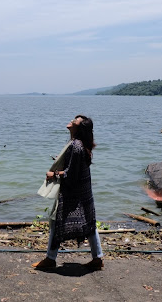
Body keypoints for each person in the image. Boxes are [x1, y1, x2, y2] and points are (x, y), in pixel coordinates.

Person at [31, 115, 104, 271]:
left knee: (56, 221)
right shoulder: (78, 144)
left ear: (79, 128)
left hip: (74, 192)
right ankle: (97, 258)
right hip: (84, 190)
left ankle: (50, 259)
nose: (71, 121)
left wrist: (54, 174)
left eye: (74, 121)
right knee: (89, 223)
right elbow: (75, 166)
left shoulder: (76, 145)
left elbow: (71, 174)